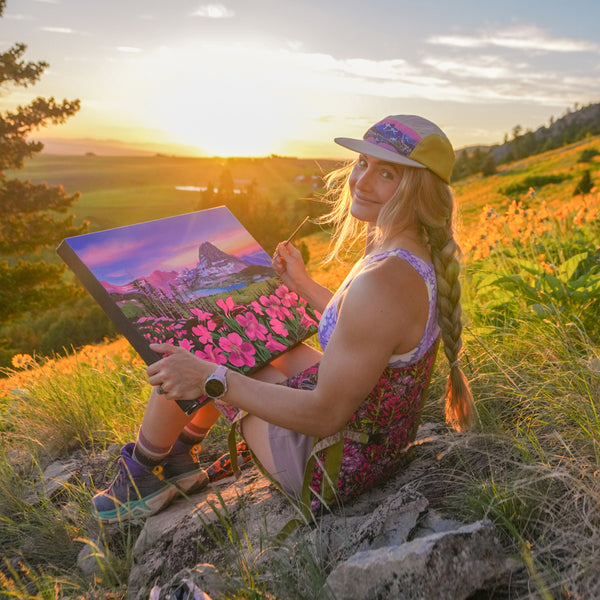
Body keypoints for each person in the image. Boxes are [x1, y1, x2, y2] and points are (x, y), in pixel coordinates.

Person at [92, 114, 475, 523]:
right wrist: (303, 285)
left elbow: (325, 414)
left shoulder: (384, 279)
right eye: (362, 163)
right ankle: (180, 458)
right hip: (374, 437)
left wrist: (210, 378)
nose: (361, 181)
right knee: (258, 341)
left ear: (419, 191)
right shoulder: (407, 251)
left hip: (332, 465)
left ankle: (145, 474)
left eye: (386, 174)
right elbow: (367, 330)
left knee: (204, 345)